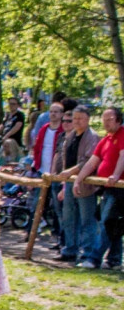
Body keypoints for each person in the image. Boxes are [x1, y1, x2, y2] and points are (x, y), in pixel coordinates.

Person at [75, 106, 124, 270]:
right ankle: (114, 259)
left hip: (119, 189)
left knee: (106, 223)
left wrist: (116, 175)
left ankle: (94, 259)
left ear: (118, 120)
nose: (106, 123)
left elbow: (123, 156)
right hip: (108, 189)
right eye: (104, 119)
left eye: (109, 119)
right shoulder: (105, 140)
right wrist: (79, 180)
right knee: (113, 224)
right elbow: (92, 162)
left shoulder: (122, 135)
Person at [53, 105, 100, 265]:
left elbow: (87, 161)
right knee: (69, 218)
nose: (77, 121)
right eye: (75, 118)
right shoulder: (70, 136)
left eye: (80, 118)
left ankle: (87, 253)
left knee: (87, 220)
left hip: (86, 185)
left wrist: (70, 172)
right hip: (69, 184)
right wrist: (65, 183)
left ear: (87, 119)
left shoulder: (92, 137)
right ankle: (70, 249)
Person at [0, 96, 26, 161]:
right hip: (4, 142)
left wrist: (6, 136)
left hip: (14, 142)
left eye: (13, 104)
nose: (11, 106)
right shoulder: (7, 115)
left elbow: (17, 127)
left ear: (17, 105)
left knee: (11, 161)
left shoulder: (20, 115)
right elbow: (1, 127)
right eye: (10, 104)